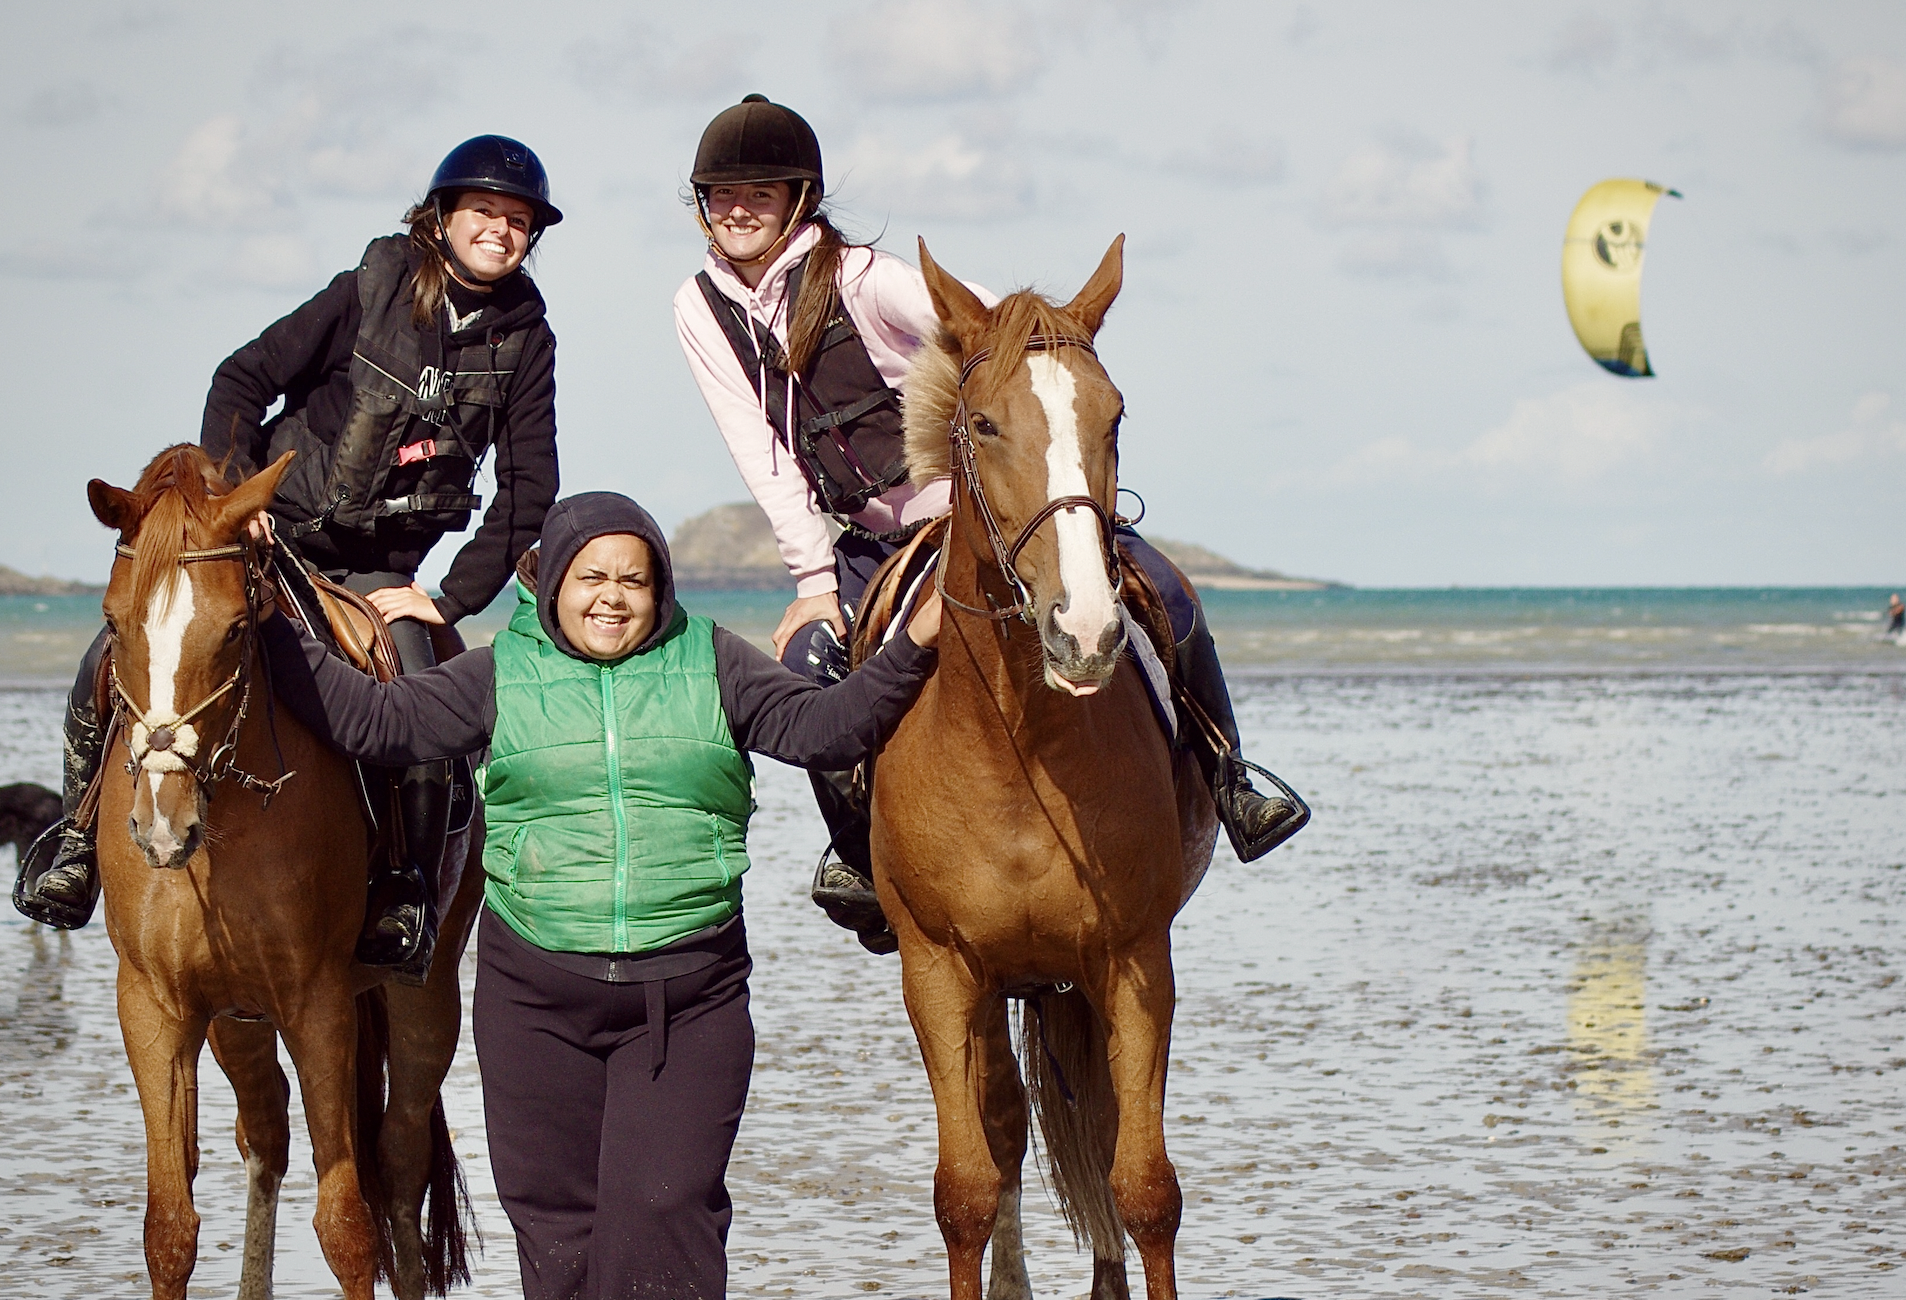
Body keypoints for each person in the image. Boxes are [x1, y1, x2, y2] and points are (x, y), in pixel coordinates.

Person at [257, 491, 942, 1298]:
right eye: (590, 577)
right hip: (535, 1005)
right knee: (559, 1235)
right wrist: (266, 614)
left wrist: (919, 641)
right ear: (552, 585)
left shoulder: (712, 659)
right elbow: (371, 719)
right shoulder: (498, 672)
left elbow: (827, 727)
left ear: (661, 589)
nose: (612, 596)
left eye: (634, 579)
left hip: (690, 999)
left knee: (664, 1211)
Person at [673, 94, 1305, 952]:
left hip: (988, 516)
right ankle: (862, 856)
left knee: (1169, 594)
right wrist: (814, 582)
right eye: (720, 194)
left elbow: (1009, 336)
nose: (738, 209)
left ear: (800, 198)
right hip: (866, 539)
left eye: (761, 191)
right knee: (806, 660)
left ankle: (1232, 777)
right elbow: (761, 452)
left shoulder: (865, 279)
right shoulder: (699, 308)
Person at [15, 136, 563, 983]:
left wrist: (448, 603)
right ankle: (76, 845)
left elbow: (532, 488)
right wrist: (240, 503)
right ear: (444, 216)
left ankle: (404, 892)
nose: (502, 228)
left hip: (381, 571)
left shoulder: (529, 342)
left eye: (520, 219)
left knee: (422, 709)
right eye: (486, 211)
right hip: (279, 539)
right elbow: (240, 380)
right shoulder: (365, 288)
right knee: (110, 655)